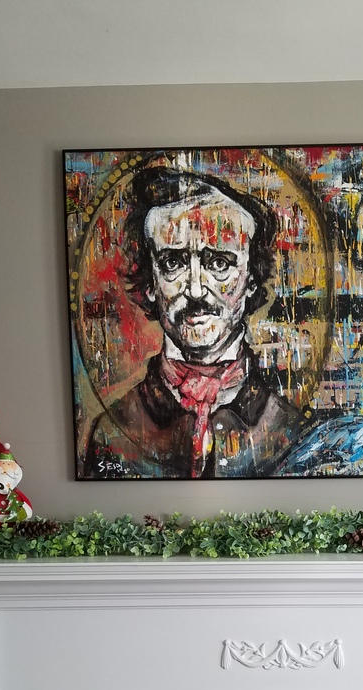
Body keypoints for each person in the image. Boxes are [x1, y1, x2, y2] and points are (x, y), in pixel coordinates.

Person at [84, 167, 304, 479]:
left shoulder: (290, 430)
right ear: (150, 283)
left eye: (219, 263)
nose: (196, 290)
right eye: (172, 262)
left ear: (252, 279)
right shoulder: (113, 431)